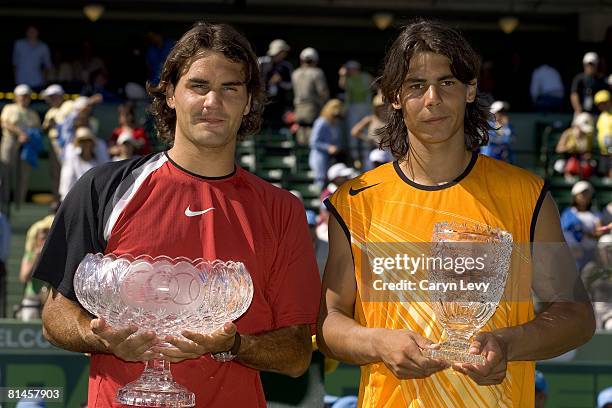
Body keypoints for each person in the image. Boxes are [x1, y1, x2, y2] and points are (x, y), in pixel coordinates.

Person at [32, 21, 320, 408]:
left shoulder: (281, 209)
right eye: (198, 86)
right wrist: (99, 337)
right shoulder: (104, 187)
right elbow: (55, 315)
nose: (212, 102)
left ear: (249, 100)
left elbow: (297, 354)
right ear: (170, 94)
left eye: (229, 88)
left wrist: (234, 344)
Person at [317, 20, 595, 407]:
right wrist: (377, 342)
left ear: (471, 89)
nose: (432, 98)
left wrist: (507, 343)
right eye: (416, 85)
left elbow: (577, 315)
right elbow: (329, 321)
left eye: (447, 82)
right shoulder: (356, 201)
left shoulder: (525, 194)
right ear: (395, 97)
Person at [0, 84, 41, 213]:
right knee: (5, 172)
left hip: (27, 146)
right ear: (16, 97)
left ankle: (20, 204)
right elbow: (5, 123)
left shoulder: (32, 113)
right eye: (22, 96)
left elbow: (36, 128)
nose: (25, 98)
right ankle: (4, 203)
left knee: (24, 175)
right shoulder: (9, 108)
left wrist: (27, 136)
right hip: (10, 141)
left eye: (27, 96)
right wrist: (20, 133)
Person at [41, 84, 72, 204]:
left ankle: (67, 200)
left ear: (59, 96)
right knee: (55, 173)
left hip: (67, 144)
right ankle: (57, 200)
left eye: (53, 96)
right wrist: (49, 125)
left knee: (68, 172)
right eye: (50, 97)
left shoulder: (68, 105)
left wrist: (57, 123)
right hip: (54, 144)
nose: (50, 99)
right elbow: (44, 128)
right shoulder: (51, 111)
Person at [338, 60, 373, 168]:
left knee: (366, 131)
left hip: (366, 108)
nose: (349, 71)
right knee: (353, 132)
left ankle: (365, 157)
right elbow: (342, 85)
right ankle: (355, 158)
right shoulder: (347, 79)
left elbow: (375, 86)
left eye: (350, 69)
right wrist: (342, 75)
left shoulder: (366, 76)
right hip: (352, 108)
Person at [292, 47, 329, 146]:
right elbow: (322, 92)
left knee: (301, 134)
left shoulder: (295, 73)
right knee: (313, 137)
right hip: (313, 109)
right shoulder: (317, 73)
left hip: (298, 108)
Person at [258, 39, 293, 130]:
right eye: (282, 52)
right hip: (262, 101)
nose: (284, 54)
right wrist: (266, 83)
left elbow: (290, 85)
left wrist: (279, 82)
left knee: (276, 125)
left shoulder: (286, 66)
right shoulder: (261, 62)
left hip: (278, 102)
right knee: (260, 125)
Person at [309, 99, 344, 189]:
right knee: (321, 183)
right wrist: (328, 147)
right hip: (320, 158)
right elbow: (313, 142)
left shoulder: (335, 123)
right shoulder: (321, 122)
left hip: (331, 159)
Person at [555, 112, 596, 180]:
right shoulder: (567, 133)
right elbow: (558, 149)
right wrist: (568, 148)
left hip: (582, 161)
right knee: (560, 165)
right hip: (567, 159)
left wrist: (587, 155)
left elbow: (588, 151)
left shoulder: (588, 136)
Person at [595, 90, 612, 178]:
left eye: (605, 102)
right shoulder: (601, 116)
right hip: (603, 152)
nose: (603, 105)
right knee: (605, 176)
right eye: (600, 103)